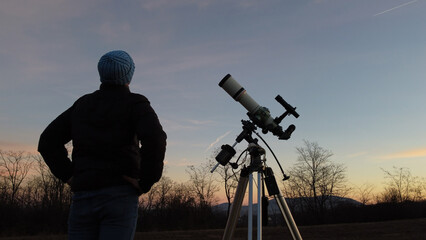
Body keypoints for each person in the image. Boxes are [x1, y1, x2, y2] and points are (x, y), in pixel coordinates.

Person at [38, 50, 167, 240]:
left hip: (83, 195)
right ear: (129, 74)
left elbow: (47, 141)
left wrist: (69, 175)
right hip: (120, 194)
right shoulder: (136, 104)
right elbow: (155, 139)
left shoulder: (82, 105)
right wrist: (145, 181)